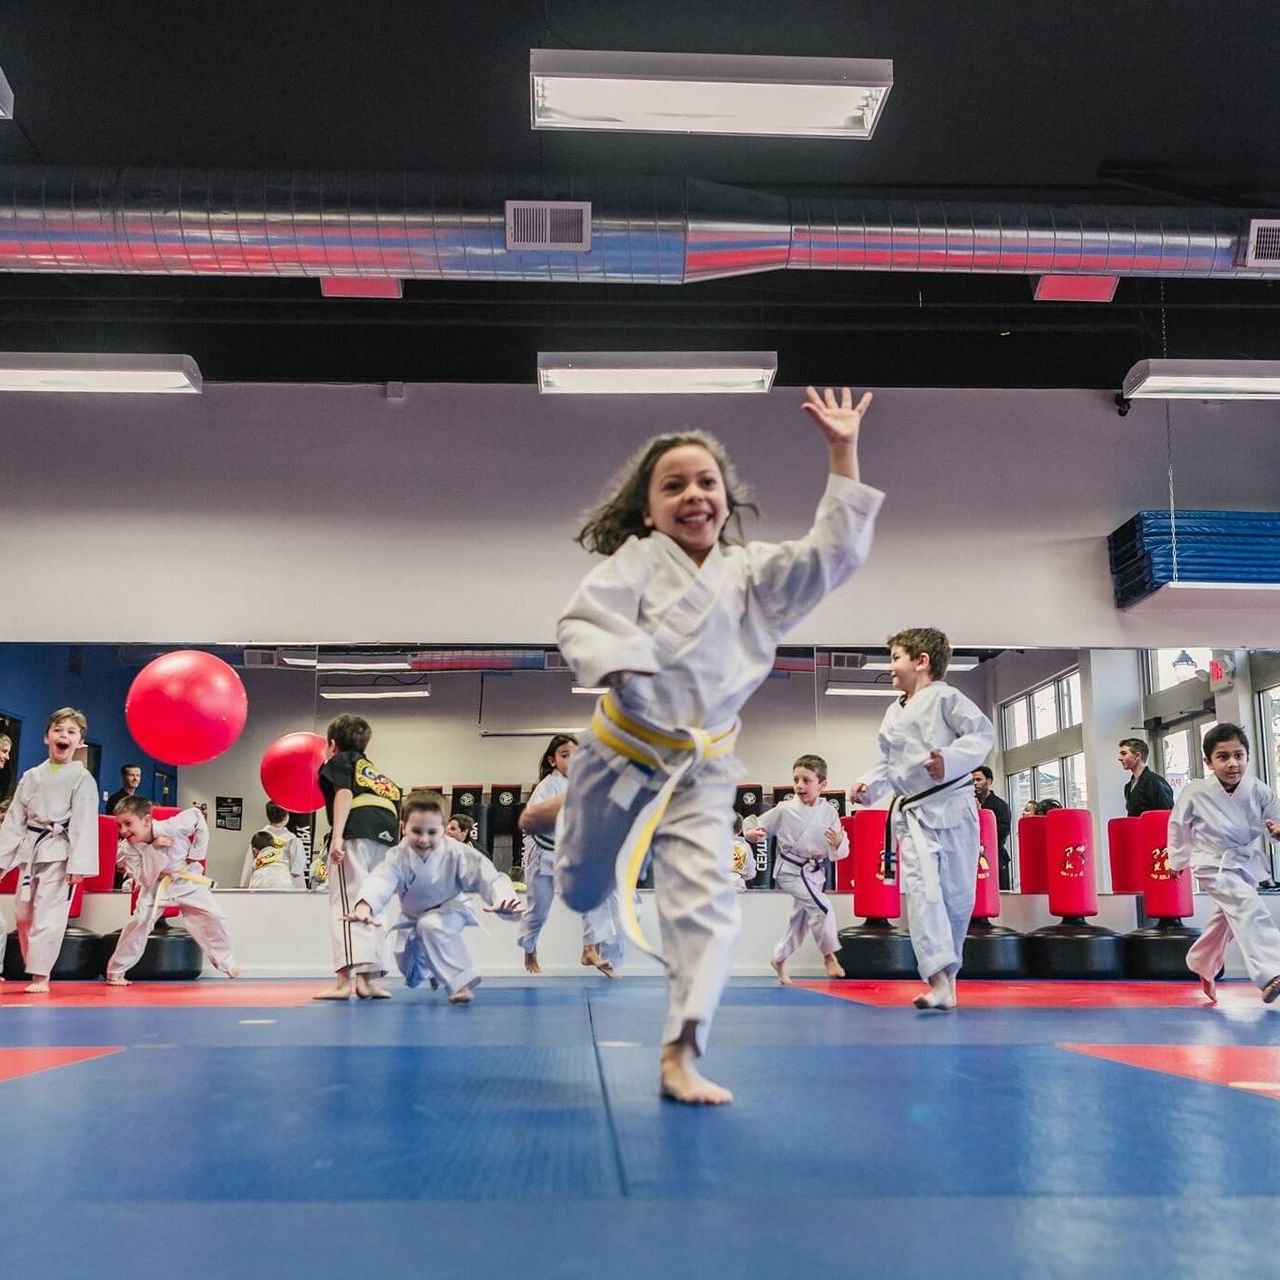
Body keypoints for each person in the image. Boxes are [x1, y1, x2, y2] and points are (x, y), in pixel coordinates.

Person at [554, 384, 881, 1104]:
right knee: (581, 882)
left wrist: (841, 448)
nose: (694, 494)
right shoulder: (635, 562)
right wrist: (618, 655)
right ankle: (575, 854)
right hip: (618, 752)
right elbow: (584, 618)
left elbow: (833, 554)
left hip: (701, 767)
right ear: (648, 508)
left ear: (726, 500)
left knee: (708, 904)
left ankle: (682, 1052)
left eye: (707, 482)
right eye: (674, 485)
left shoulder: (751, 575)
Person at [853, 628, 995, 1012]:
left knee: (956, 898)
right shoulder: (893, 711)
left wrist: (949, 760)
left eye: (896, 658)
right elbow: (888, 763)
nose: (891, 667)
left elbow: (982, 735)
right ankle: (936, 979)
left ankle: (948, 982)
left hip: (955, 802)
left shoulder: (947, 697)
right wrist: (868, 784)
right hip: (914, 813)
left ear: (921, 661)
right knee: (923, 893)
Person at [344, 791, 523, 1004]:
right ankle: (431, 970)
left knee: (431, 926)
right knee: (408, 967)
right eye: (416, 831)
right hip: (411, 916)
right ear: (403, 827)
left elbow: (489, 876)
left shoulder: (457, 852)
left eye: (432, 832)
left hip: (449, 909)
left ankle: (461, 984)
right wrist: (364, 906)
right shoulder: (398, 855)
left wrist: (502, 899)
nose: (424, 839)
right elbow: (381, 879)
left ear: (444, 829)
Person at [1168, 723, 1280, 1004]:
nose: (1233, 763)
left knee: (1226, 920)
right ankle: (1272, 972)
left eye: (1238, 755)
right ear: (1208, 761)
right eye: (1223, 757)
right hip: (1211, 862)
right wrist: (1177, 860)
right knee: (1248, 906)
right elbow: (1178, 825)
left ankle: (1202, 962)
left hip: (1245, 862)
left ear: (1248, 756)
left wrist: (1278, 829)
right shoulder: (1195, 791)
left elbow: (1277, 818)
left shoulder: (1258, 790)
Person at [0, 708, 99, 992]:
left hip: (59, 852)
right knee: (23, 913)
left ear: (79, 742)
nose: (63, 736)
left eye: (71, 732)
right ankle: (34, 962)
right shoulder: (31, 776)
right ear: (47, 737)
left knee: (49, 914)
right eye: (58, 730)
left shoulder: (83, 780)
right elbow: (15, 820)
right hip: (30, 852)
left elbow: (84, 824)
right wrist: (2, 861)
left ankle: (40, 975)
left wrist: (78, 864)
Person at [516, 735, 622, 977]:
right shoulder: (546, 787)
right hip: (541, 852)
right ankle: (530, 948)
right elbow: (532, 822)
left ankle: (589, 949)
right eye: (565, 755)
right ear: (553, 761)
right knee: (538, 913)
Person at [314, 714, 402, 1002]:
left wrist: (336, 836)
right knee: (373, 903)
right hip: (386, 835)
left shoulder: (340, 761)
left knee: (347, 902)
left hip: (357, 831)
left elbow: (343, 794)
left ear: (332, 744)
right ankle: (368, 980)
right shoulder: (377, 773)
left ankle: (343, 982)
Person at [107, 797, 240, 984]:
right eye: (119, 825)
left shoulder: (172, 826)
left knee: (215, 916)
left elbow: (197, 817)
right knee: (139, 923)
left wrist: (197, 854)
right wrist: (153, 849)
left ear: (146, 820)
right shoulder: (129, 848)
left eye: (128, 823)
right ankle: (116, 972)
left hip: (186, 879)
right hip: (156, 887)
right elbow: (145, 879)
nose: (123, 831)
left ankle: (226, 962)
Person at [745, 753, 849, 985]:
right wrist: (751, 834)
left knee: (799, 923)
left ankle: (779, 959)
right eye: (796, 780)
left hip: (814, 873)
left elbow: (842, 851)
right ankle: (829, 956)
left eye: (806, 780)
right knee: (822, 908)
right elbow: (756, 826)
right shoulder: (784, 809)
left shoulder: (830, 813)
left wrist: (839, 843)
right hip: (791, 870)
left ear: (822, 784)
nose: (799, 786)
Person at [239, 802, 306, 890]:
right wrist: (301, 891)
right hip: (284, 884)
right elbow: (297, 869)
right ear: (287, 816)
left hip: (260, 882)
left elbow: (249, 865)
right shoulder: (293, 839)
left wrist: (243, 887)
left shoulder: (259, 836)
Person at [972, 765, 1012, 890]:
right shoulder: (968, 805)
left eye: (979, 780)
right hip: (973, 858)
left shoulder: (1000, 805)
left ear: (989, 781)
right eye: (972, 781)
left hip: (996, 857)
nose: (975, 784)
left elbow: (1002, 831)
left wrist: (982, 815)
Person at [1119, 737, 1174, 816]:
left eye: (1124, 754)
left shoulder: (1155, 781)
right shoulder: (1128, 787)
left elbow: (1166, 814)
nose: (1120, 758)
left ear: (1137, 756)